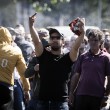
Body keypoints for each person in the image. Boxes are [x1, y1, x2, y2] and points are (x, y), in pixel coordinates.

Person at [28, 13, 85, 110]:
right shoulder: (43, 54)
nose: (54, 39)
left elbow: (76, 47)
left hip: (60, 104)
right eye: (52, 37)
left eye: (57, 37)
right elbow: (36, 41)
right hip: (42, 103)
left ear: (62, 41)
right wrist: (31, 26)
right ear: (49, 40)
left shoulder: (68, 57)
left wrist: (82, 33)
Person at [69, 29, 110, 110]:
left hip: (97, 96)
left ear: (101, 42)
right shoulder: (83, 56)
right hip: (81, 94)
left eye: (95, 40)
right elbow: (76, 75)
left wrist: (106, 96)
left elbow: (109, 78)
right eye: (91, 40)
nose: (93, 42)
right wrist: (71, 93)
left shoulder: (106, 58)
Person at [0, 26, 30, 110]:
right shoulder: (15, 51)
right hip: (6, 88)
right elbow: (24, 72)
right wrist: (26, 89)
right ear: (9, 37)